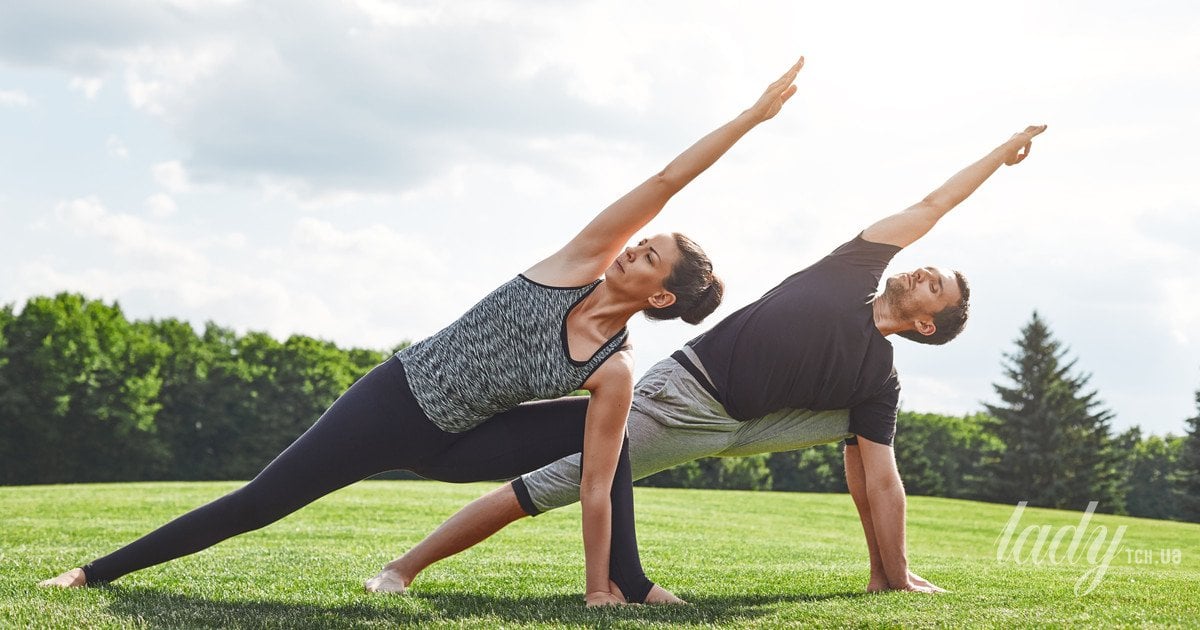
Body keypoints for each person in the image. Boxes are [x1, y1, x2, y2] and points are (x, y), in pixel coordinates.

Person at [38, 58, 808, 607]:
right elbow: (667, 179)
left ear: (663, 296)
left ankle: (625, 584)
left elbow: (598, 483)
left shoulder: (614, 369)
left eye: (651, 255)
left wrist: (595, 591)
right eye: (643, 239)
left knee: (611, 445)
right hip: (395, 401)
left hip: (459, 443)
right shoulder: (579, 260)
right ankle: (94, 574)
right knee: (260, 502)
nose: (636, 246)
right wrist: (749, 117)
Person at [364, 123, 1049, 599]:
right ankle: (403, 568)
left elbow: (882, 480)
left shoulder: (879, 378)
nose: (922, 270)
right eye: (929, 268)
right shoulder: (852, 270)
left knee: (868, 438)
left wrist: (895, 567)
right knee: (550, 483)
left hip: (756, 423)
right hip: (686, 400)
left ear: (926, 322)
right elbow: (932, 204)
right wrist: (997, 155)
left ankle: (886, 575)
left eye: (935, 285)